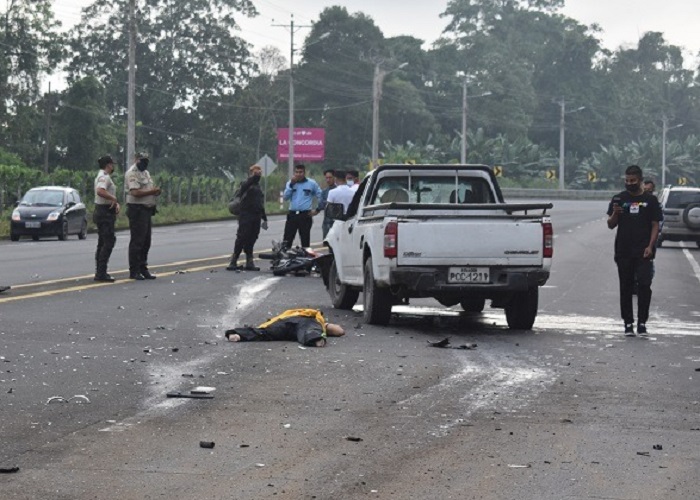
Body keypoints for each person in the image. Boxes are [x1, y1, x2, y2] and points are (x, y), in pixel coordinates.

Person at [607, 165, 662, 337]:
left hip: (643, 250)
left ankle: (642, 322)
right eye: (627, 180)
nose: (629, 183)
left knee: (644, 286)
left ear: (639, 180)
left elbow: (655, 225)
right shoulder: (618, 199)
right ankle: (628, 323)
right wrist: (615, 214)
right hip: (623, 251)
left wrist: (650, 246)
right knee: (626, 286)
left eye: (633, 181)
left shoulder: (650, 201)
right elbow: (610, 225)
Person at [224, 308, 344, 347]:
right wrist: (325, 326)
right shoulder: (315, 317)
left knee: (266, 333)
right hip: (305, 323)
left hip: (285, 323)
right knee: (309, 330)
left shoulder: (288, 313)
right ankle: (315, 339)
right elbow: (339, 331)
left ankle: (237, 334)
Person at [125, 152, 161, 280]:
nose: (144, 163)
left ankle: (143, 268)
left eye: (146, 161)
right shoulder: (132, 173)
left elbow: (147, 189)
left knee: (146, 241)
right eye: (142, 160)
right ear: (136, 160)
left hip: (146, 210)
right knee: (137, 241)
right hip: (137, 210)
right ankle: (134, 270)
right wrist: (152, 191)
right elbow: (135, 192)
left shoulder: (146, 173)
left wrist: (155, 192)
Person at [227, 164, 268, 271]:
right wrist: (253, 176)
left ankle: (249, 261)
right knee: (242, 237)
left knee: (253, 237)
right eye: (255, 172)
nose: (258, 174)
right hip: (246, 215)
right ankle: (234, 260)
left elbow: (260, 203)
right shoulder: (245, 184)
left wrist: (264, 218)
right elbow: (247, 184)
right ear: (251, 173)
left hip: (256, 215)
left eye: (259, 172)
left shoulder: (258, 187)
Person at [93, 155, 120, 282]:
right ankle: (101, 272)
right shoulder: (104, 176)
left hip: (103, 210)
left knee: (103, 242)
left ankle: (100, 270)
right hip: (104, 212)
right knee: (108, 241)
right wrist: (113, 199)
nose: (113, 166)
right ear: (108, 165)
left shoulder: (102, 175)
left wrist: (115, 203)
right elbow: (100, 191)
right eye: (112, 164)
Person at [282, 164, 322, 248]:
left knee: (305, 241)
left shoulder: (311, 183)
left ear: (304, 173)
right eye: (296, 172)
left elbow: (320, 196)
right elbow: (285, 197)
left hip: (305, 215)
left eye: (300, 172)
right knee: (287, 240)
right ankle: (285, 258)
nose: (298, 174)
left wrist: (317, 210)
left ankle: (306, 259)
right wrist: (291, 185)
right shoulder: (290, 183)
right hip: (292, 215)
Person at [317, 169, 337, 239]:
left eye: (330, 177)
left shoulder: (339, 190)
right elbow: (320, 205)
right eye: (326, 178)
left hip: (338, 222)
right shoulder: (324, 192)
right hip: (327, 222)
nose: (328, 180)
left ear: (335, 177)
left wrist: (327, 202)